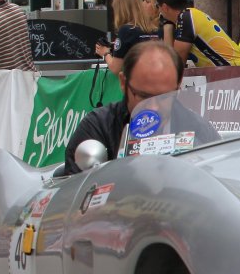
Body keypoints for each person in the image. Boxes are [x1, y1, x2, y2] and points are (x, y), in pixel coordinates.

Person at [63, 41, 186, 175]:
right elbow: (76, 183)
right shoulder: (98, 127)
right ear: (123, 82)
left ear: (178, 87)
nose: (153, 108)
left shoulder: (195, 127)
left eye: (164, 97)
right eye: (143, 96)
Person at [154, 0, 240, 67]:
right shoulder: (191, 14)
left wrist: (167, 28)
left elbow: (176, 64)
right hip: (235, 69)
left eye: (157, 6)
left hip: (235, 71)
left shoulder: (186, 19)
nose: (158, 11)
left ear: (165, 7)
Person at [94, 0, 165, 77]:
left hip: (138, 80)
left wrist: (105, 53)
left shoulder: (126, 30)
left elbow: (116, 68)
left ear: (120, 11)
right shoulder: (157, 30)